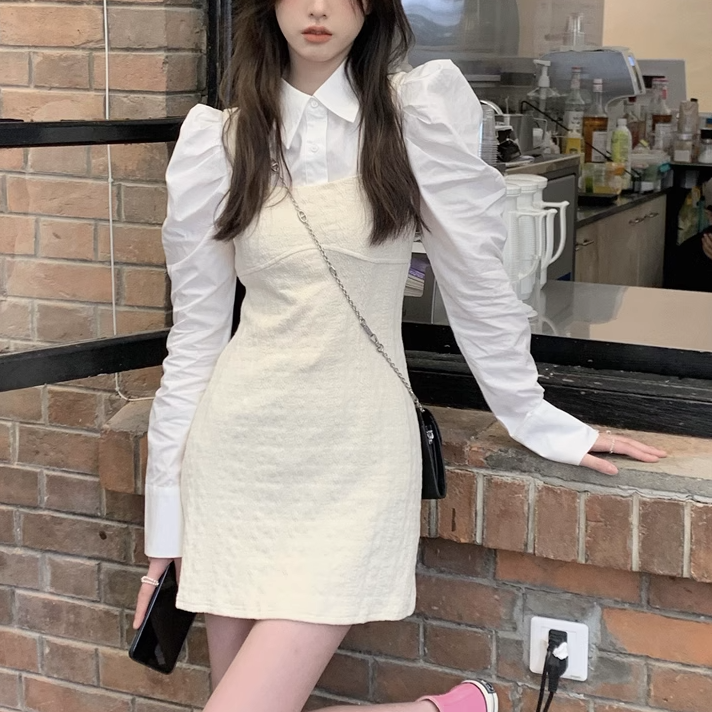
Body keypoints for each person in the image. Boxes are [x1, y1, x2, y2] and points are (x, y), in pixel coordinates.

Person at [133, 2, 666, 711]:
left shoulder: (413, 116)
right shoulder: (219, 143)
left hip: (355, 458)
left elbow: (477, 285)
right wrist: (165, 525)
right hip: (235, 459)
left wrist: (536, 417)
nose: (318, 8)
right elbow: (195, 344)